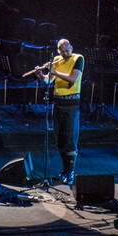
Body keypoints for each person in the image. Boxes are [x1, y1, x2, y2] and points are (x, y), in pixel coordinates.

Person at [37, 38, 84, 185]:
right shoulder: (57, 59)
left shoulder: (78, 58)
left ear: (71, 47)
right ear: (58, 51)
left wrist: (54, 71)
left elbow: (72, 79)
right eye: (62, 51)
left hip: (71, 104)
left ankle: (71, 172)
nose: (65, 54)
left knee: (70, 139)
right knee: (60, 139)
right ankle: (65, 170)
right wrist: (40, 74)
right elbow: (48, 81)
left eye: (67, 50)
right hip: (57, 103)